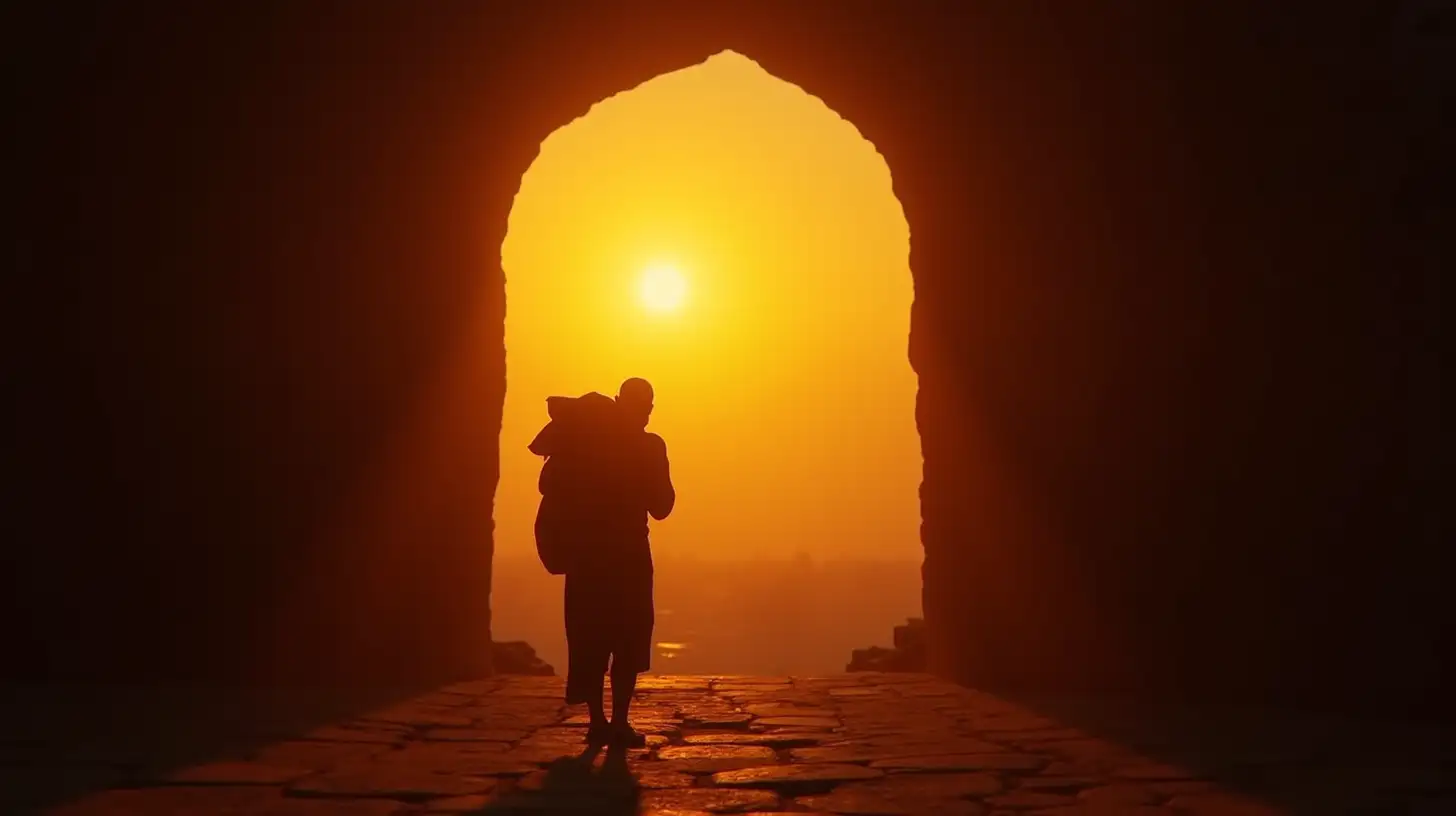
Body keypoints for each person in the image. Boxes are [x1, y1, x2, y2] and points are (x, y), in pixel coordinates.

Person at [528, 377, 674, 747]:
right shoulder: (649, 447)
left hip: (588, 557)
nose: (646, 412)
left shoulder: (583, 446)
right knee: (624, 638)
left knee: (590, 639)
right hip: (626, 557)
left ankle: (602, 721)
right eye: (644, 405)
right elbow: (663, 507)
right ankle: (614, 721)